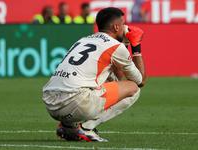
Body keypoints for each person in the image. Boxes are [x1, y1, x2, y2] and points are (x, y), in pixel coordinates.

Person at [42, 7, 146, 142]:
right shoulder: (115, 47)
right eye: (123, 24)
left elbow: (115, 79)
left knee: (102, 81)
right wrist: (136, 46)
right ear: (116, 27)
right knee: (134, 88)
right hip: (75, 103)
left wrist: (124, 43)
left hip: (50, 104)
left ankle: (68, 127)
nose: (125, 27)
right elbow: (140, 81)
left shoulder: (83, 40)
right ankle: (87, 128)